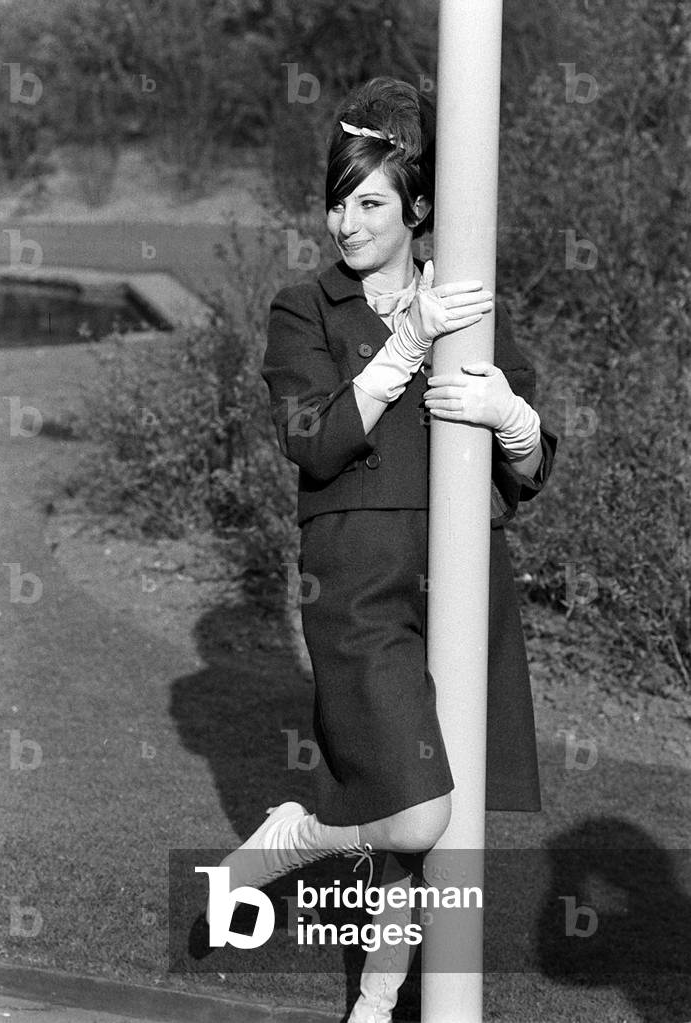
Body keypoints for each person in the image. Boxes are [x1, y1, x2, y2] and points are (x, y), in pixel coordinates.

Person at [210, 77, 557, 1022]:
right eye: (336, 200)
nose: (344, 223)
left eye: (368, 202)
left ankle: (377, 1001)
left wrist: (512, 418)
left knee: (432, 811)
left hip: (464, 573)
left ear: (417, 209)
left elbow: (531, 465)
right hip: (356, 579)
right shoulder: (303, 308)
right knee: (410, 808)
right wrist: (405, 343)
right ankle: (295, 837)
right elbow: (314, 437)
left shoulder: (469, 296)